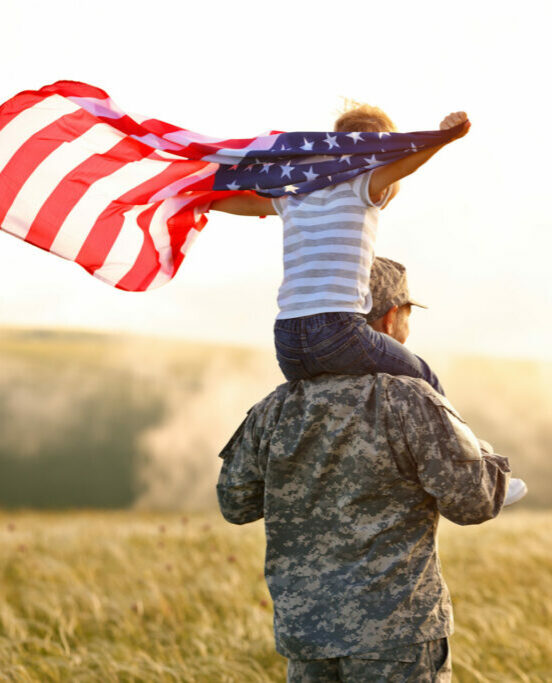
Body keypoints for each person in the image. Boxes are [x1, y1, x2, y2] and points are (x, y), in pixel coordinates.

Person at [217, 257, 522, 681]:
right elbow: (474, 503)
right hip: (396, 639)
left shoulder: (275, 407)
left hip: (308, 640)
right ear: (390, 318)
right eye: (408, 316)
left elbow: (235, 503)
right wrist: (484, 456)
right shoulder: (409, 398)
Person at [210, 104, 468, 393]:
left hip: (287, 344)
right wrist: (444, 138)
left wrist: (194, 196)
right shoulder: (362, 185)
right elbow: (407, 167)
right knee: (426, 379)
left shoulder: (296, 193)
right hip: (338, 332)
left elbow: (242, 203)